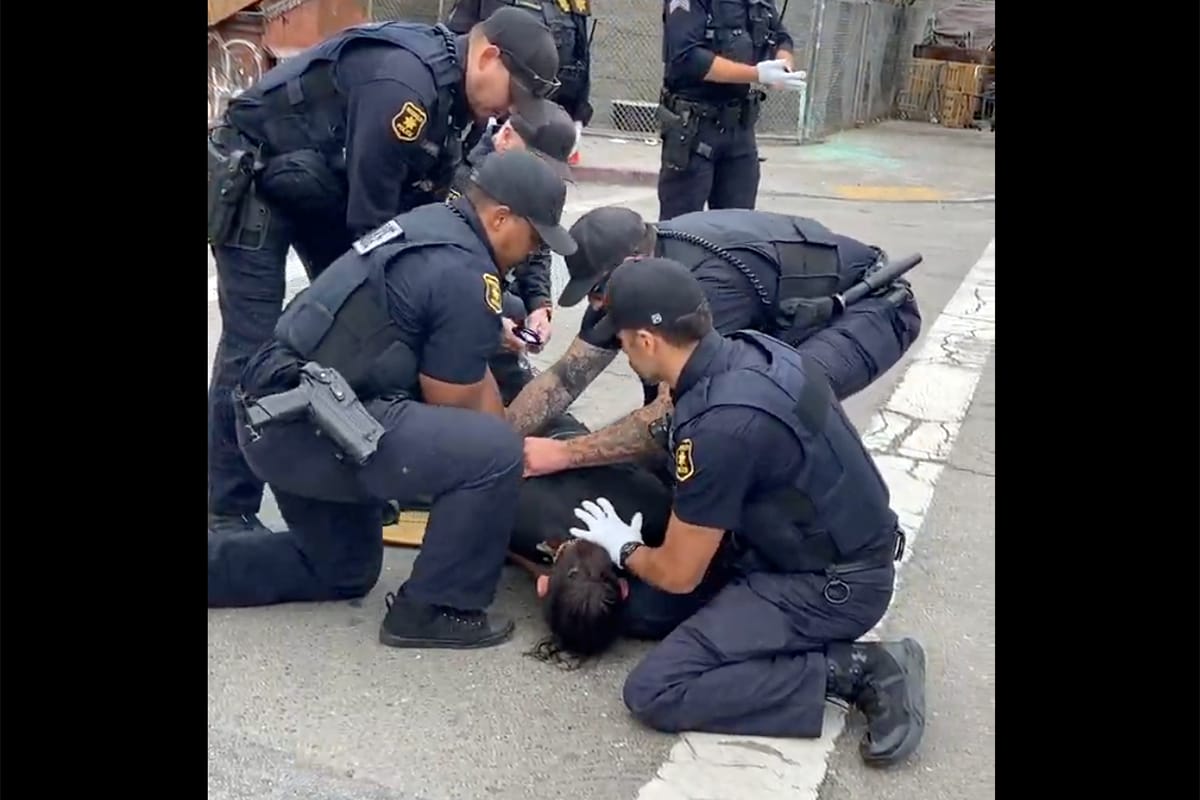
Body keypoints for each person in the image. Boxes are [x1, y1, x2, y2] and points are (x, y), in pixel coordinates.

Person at [206, 8, 562, 535]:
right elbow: (378, 228)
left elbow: (430, 210)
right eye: (514, 94)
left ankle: (359, 475)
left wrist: (483, 315)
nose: (510, 110)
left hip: (321, 192)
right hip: (257, 180)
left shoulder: (457, 102)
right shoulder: (404, 85)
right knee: (253, 343)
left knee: (365, 330)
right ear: (489, 56)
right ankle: (226, 507)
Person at [207, 149, 578, 651]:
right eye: (533, 238)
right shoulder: (464, 272)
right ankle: (434, 608)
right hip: (306, 423)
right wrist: (511, 467)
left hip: (278, 413)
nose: (532, 252)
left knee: (343, 568)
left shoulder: (432, 224)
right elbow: (456, 401)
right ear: (500, 218)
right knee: (494, 450)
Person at [563, 257, 926, 764]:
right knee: (644, 612)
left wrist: (624, 547)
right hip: (802, 547)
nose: (623, 352)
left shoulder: (720, 425)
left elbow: (678, 574)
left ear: (646, 340)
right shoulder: (752, 351)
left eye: (622, 342)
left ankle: (858, 669)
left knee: (656, 689)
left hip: (829, 586)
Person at [507, 205, 921, 476]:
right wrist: (495, 444)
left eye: (598, 290)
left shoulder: (704, 289)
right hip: (791, 312)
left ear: (633, 262)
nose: (597, 304)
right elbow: (564, 379)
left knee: (758, 409)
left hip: (869, 309)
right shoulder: (637, 274)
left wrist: (566, 454)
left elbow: (666, 417)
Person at [449, 98, 578, 402]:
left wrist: (540, 306)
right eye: (536, 159)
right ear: (506, 136)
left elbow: (538, 245)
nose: (542, 172)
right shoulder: (467, 182)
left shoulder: (531, 184)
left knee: (520, 309)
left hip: (494, 293)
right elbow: (454, 275)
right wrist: (491, 325)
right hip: (460, 299)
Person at [657, 0, 805, 220]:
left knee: (738, 227)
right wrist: (756, 74)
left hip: (739, 131)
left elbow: (781, 37)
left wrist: (782, 66)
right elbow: (687, 57)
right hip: (693, 130)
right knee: (681, 227)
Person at [448, 0, 593, 141]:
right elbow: (459, 43)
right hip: (483, 108)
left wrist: (577, 115)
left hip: (540, 114)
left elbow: (580, 58)